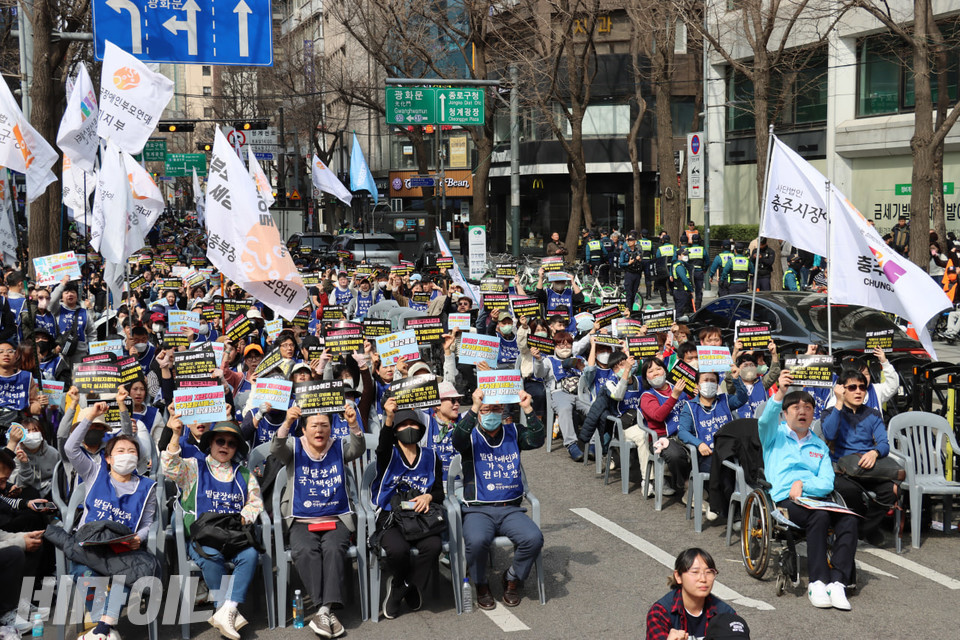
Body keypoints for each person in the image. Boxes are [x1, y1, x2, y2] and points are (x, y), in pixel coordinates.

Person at [758, 371, 858, 610]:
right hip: (785, 499)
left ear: (814, 413)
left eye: (807, 408)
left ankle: (838, 583)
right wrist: (781, 392)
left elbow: (827, 481)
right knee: (820, 517)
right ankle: (818, 581)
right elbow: (764, 421)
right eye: (795, 407)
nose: (802, 411)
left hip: (817, 497)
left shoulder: (819, 445)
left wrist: (805, 485)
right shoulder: (774, 436)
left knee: (849, 518)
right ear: (785, 413)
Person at [162, 418, 263, 639]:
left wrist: (245, 517)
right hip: (203, 537)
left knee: (250, 554)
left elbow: (255, 503)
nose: (225, 446)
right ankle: (223, 609)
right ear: (211, 444)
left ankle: (227, 608)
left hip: (235, 536)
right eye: (220, 441)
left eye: (231, 443)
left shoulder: (244, 474)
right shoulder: (193, 467)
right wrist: (176, 435)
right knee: (210, 556)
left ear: (236, 448)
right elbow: (169, 467)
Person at [64, 402, 158, 640]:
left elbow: (148, 522)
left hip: (123, 548)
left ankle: (102, 630)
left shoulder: (147, 487)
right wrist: (89, 417)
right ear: (107, 458)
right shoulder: (94, 473)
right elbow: (70, 448)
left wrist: (140, 537)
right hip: (91, 545)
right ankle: (105, 628)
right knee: (85, 575)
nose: (127, 455)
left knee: (128, 576)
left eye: (131, 451)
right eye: (120, 451)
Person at [272, 403, 364, 638]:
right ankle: (326, 610)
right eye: (314, 425)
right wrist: (287, 422)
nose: (319, 430)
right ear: (304, 430)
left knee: (334, 549)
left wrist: (353, 423)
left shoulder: (339, 446)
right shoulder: (293, 447)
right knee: (305, 550)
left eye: (324, 425)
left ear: (331, 429)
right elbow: (276, 448)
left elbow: (359, 449)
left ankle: (323, 610)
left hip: (336, 518)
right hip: (302, 520)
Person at [453, 388, 544, 610]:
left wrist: (528, 408)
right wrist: (474, 408)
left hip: (510, 509)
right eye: (486, 409)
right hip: (478, 509)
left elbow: (537, 439)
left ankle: (512, 578)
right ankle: (481, 584)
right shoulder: (470, 434)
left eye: (496, 408)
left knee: (533, 538)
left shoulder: (514, 431)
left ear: (502, 409)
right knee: (475, 541)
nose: (491, 414)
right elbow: (458, 440)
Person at [373, 401, 444, 620]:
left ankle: (401, 586)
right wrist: (388, 418)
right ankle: (408, 586)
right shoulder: (389, 455)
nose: (410, 428)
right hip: (391, 516)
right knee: (398, 549)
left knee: (433, 546)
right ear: (396, 431)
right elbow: (382, 446)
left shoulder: (431, 456)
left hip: (421, 516)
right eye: (403, 425)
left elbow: (440, 491)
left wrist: (429, 496)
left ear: (421, 429)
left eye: (414, 424)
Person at [820, 370, 901, 547]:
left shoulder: (873, 414)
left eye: (862, 387)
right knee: (850, 491)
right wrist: (839, 403)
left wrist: (875, 453)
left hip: (868, 467)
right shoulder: (830, 413)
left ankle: (864, 529)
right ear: (841, 389)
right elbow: (830, 433)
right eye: (852, 387)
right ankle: (858, 528)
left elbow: (884, 444)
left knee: (893, 490)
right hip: (842, 468)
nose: (858, 391)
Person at [645, 548, 735, 640]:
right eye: (695, 572)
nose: (703, 579)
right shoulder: (660, 613)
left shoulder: (726, 615)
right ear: (678, 576)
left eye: (709, 572)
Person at [639, 358, 692, 496]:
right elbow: (658, 416)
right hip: (662, 439)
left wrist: (696, 395)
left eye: (659, 369)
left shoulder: (679, 387)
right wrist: (674, 397)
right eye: (650, 371)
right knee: (675, 455)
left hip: (686, 432)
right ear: (646, 377)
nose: (656, 373)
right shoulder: (647, 396)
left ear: (665, 370)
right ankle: (685, 484)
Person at [620, 234, 644, 313]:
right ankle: (628, 308)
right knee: (629, 293)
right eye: (628, 241)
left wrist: (639, 260)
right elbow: (621, 263)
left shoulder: (638, 251)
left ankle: (632, 309)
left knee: (634, 292)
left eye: (631, 241)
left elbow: (642, 263)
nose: (630, 242)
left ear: (635, 242)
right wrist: (628, 263)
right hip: (629, 273)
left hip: (637, 274)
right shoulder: (624, 252)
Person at [670, 249, 694, 316]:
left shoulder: (681, 264)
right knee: (680, 311)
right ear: (679, 256)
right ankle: (677, 324)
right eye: (684, 255)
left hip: (679, 290)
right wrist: (691, 289)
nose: (686, 256)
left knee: (680, 309)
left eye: (687, 255)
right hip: (681, 291)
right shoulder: (679, 266)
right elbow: (684, 279)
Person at [654, 233, 676, 307]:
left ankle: (664, 301)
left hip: (663, 269)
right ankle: (676, 300)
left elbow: (657, 257)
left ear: (663, 241)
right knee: (673, 284)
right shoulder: (674, 247)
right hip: (672, 268)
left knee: (662, 285)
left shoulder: (660, 248)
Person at [687, 234, 706, 310]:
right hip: (699, 272)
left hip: (690, 273)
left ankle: (690, 307)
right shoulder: (702, 250)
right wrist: (704, 269)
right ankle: (697, 308)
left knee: (689, 289)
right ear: (699, 240)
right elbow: (707, 261)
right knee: (698, 291)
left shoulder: (689, 250)